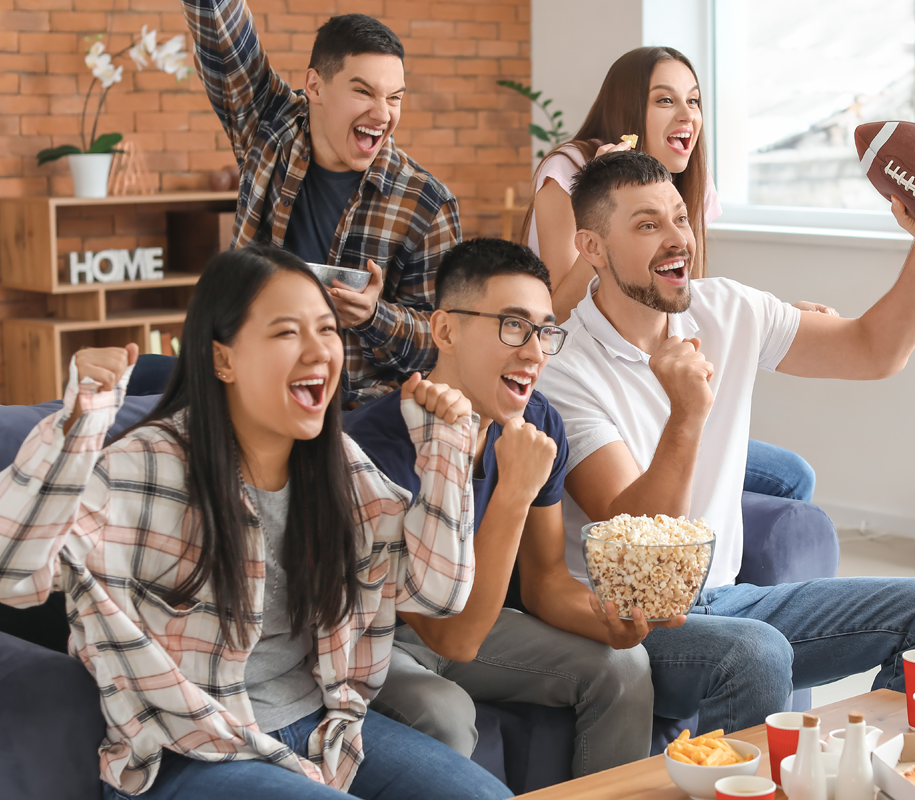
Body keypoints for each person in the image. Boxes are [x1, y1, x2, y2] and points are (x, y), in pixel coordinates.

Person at [0, 244, 510, 800]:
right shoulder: (145, 465)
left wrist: (444, 452)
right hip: (187, 751)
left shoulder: (338, 466)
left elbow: (437, 593)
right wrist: (76, 426)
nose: (318, 351)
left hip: (321, 734)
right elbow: (12, 573)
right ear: (223, 359)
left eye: (326, 329)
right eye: (287, 333)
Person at [535, 151, 915, 734]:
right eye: (646, 225)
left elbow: (874, 349)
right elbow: (640, 550)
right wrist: (687, 415)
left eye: (680, 219)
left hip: (727, 602)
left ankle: (873, 775)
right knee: (756, 652)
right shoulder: (563, 368)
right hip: (631, 622)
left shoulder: (727, 308)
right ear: (591, 248)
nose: (676, 239)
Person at [343, 238, 675, 777]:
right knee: (444, 711)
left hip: (476, 619)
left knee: (625, 665)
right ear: (445, 330)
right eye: (514, 325)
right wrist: (515, 490)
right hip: (380, 635)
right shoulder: (377, 446)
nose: (535, 352)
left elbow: (545, 580)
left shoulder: (538, 423)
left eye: (545, 330)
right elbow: (448, 634)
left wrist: (607, 620)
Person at [524, 45, 821, 504]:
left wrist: (775, 315)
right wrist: (607, 219)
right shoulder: (567, 170)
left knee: (793, 476)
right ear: (628, 109)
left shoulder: (684, 182)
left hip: (656, 383)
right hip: (588, 385)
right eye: (665, 100)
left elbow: (680, 295)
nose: (686, 114)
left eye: (694, 100)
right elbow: (556, 314)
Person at [183, 1, 460, 404]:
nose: (382, 114)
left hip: (353, 410)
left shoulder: (427, 204)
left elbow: (445, 342)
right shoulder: (270, 127)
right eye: (363, 91)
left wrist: (372, 316)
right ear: (315, 87)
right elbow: (224, 40)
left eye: (395, 98)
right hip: (250, 382)